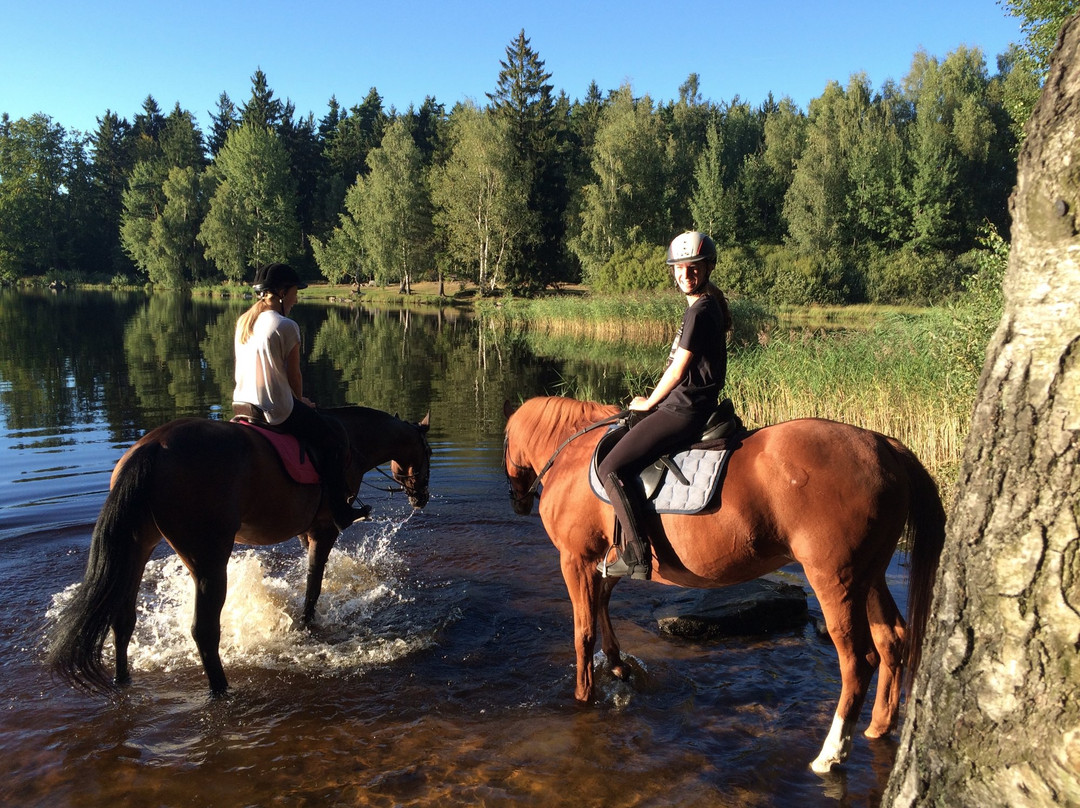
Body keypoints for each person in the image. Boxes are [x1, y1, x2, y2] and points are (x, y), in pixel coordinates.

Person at [598, 232, 732, 579]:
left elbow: (678, 369)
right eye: (679, 268)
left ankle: (637, 555)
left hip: (683, 410)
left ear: (708, 268)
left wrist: (648, 403)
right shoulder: (707, 306)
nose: (686, 275)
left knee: (610, 467)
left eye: (694, 268)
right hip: (687, 405)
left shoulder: (700, 311)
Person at [232, 262, 361, 532]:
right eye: (294, 291)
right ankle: (340, 511)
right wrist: (301, 401)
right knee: (334, 438)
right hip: (274, 410)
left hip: (243, 405)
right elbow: (294, 376)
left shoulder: (245, 322)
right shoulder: (286, 325)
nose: (297, 297)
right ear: (280, 292)